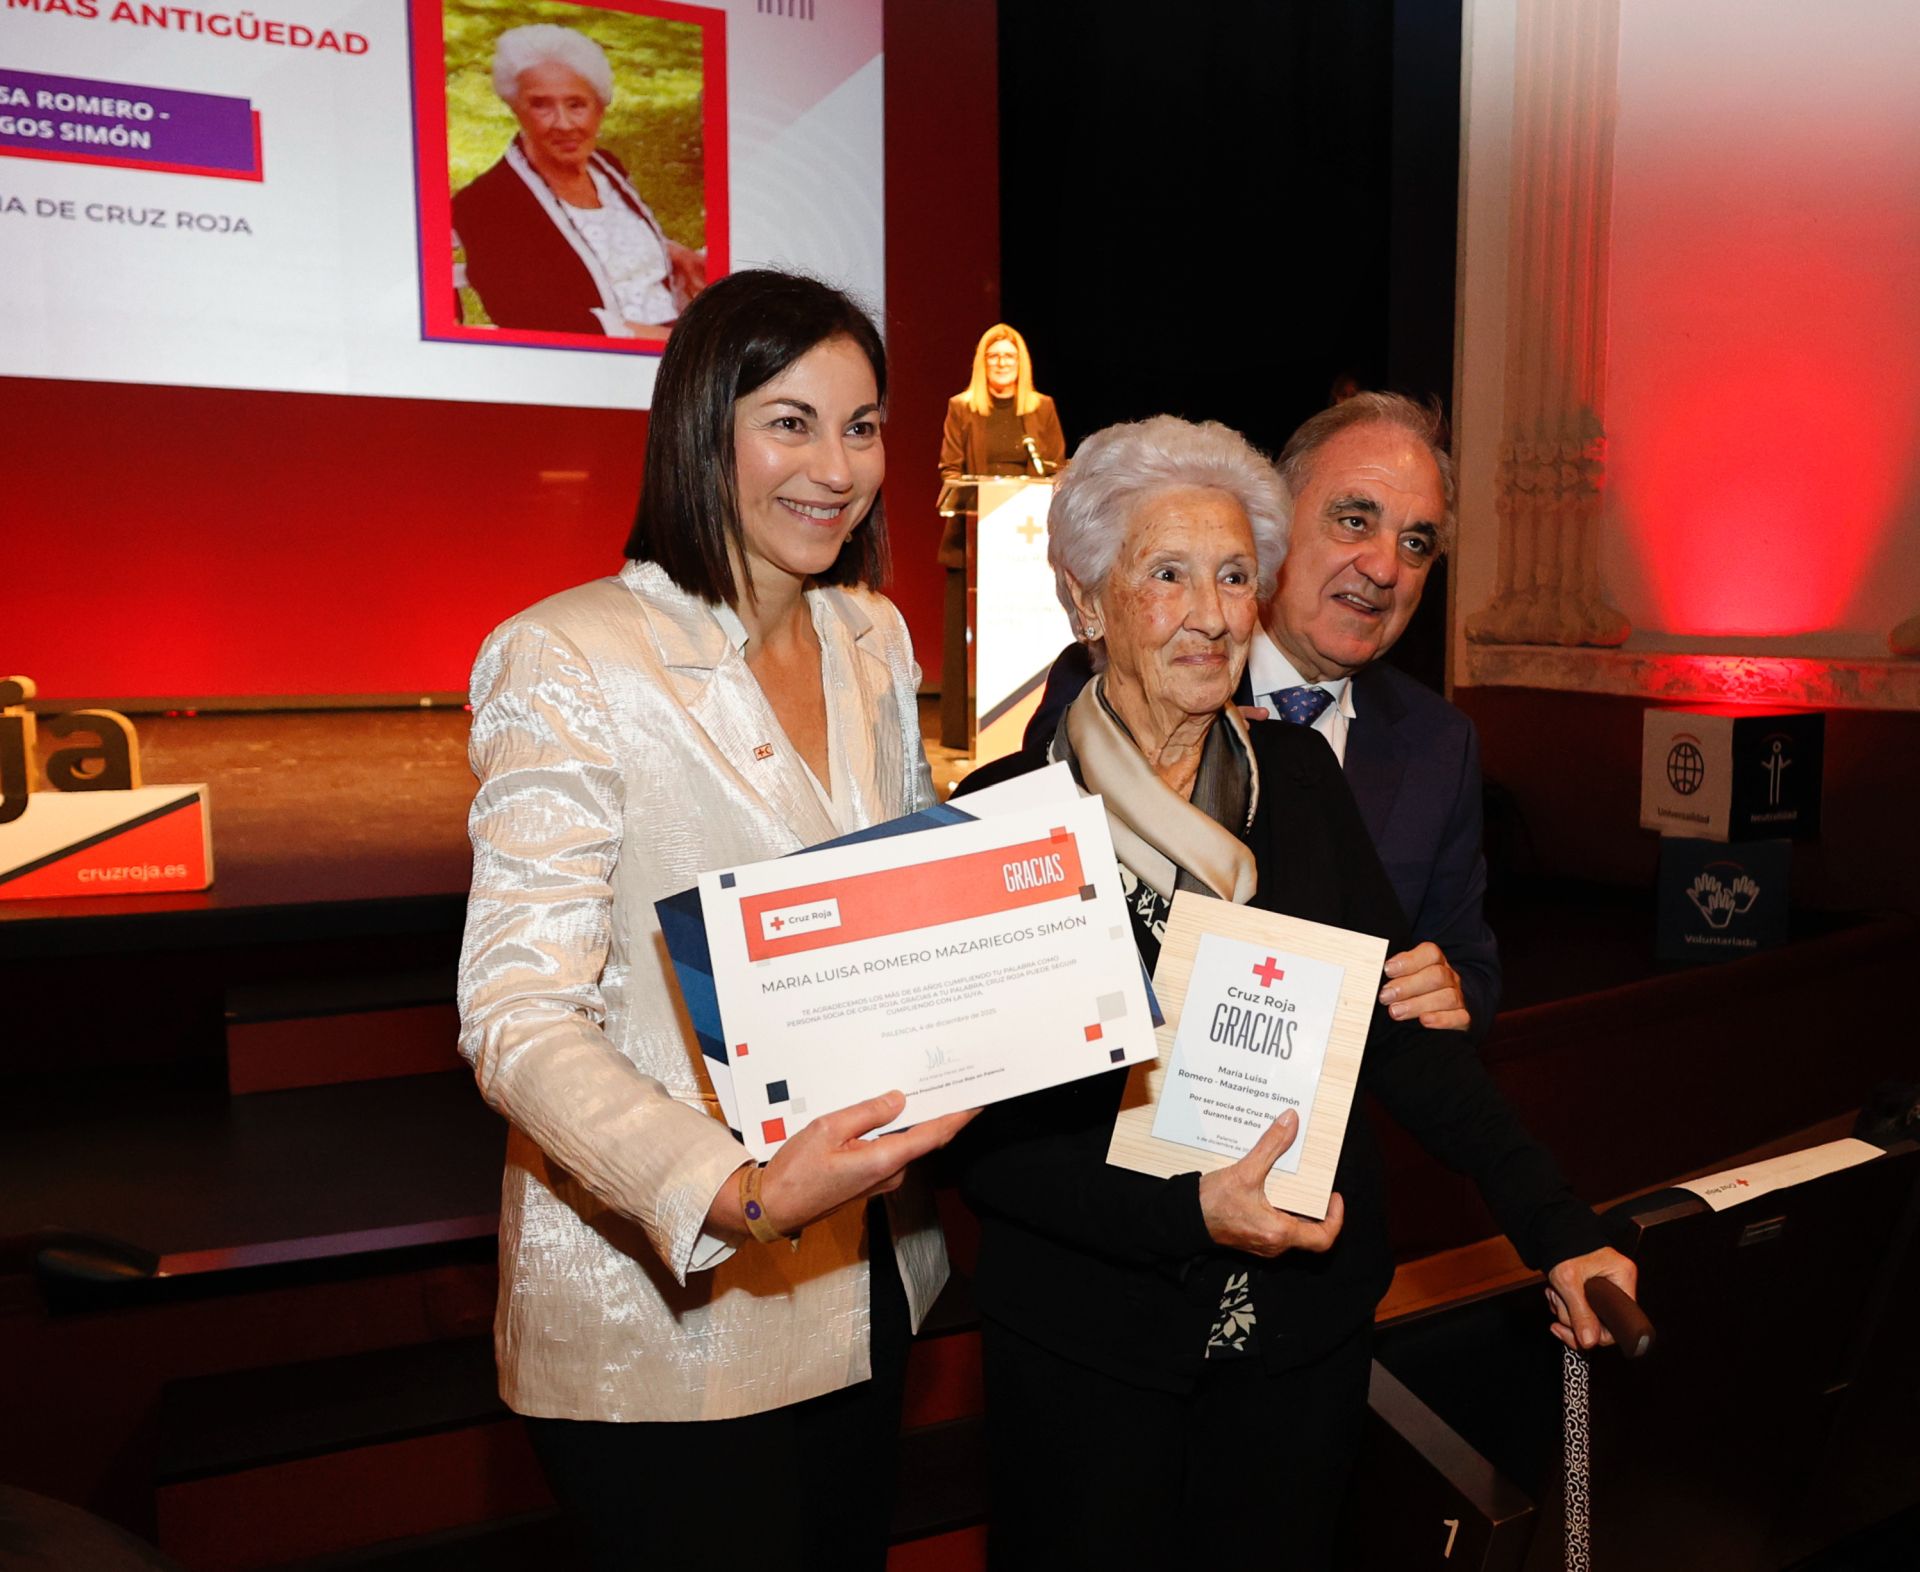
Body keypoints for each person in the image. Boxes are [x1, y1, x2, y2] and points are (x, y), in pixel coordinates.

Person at [954, 414, 1635, 1569]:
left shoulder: (1302, 784)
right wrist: (1190, 1213)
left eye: (1233, 576)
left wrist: (1559, 1230)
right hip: (1089, 1353)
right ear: (1087, 599)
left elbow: (1400, 1038)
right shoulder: (1004, 819)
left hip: (1294, 1344)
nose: (1213, 613)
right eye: (1167, 574)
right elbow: (987, 1150)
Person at [457, 269, 972, 1571]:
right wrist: (730, 1189)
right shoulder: (569, 656)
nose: (837, 467)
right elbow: (515, 1013)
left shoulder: (872, 639)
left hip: (866, 1282)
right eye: (790, 422)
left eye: (863, 427)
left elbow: (899, 912)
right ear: (704, 429)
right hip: (669, 1318)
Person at [1023, 393, 1498, 1039]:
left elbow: (1467, 963)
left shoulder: (1441, 744)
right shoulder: (1116, 683)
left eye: (1415, 543)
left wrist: (1447, 988)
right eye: (1355, 520)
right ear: (1276, 521)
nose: (1385, 567)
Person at [452, 24, 705, 339]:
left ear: (600, 108)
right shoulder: (486, 203)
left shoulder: (605, 167)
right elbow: (530, 316)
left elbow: (594, 241)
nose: (563, 123)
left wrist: (670, 250)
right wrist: (679, 344)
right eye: (541, 104)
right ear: (515, 107)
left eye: (576, 104)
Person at [935, 324, 1066, 746]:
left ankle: (1032, 730)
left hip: (1026, 548)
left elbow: (1058, 468)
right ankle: (966, 737)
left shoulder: (1041, 408)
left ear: (1021, 363)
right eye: (993, 358)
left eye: (1009, 357)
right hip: (975, 540)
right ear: (982, 364)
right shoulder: (962, 407)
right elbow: (950, 471)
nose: (1002, 364)